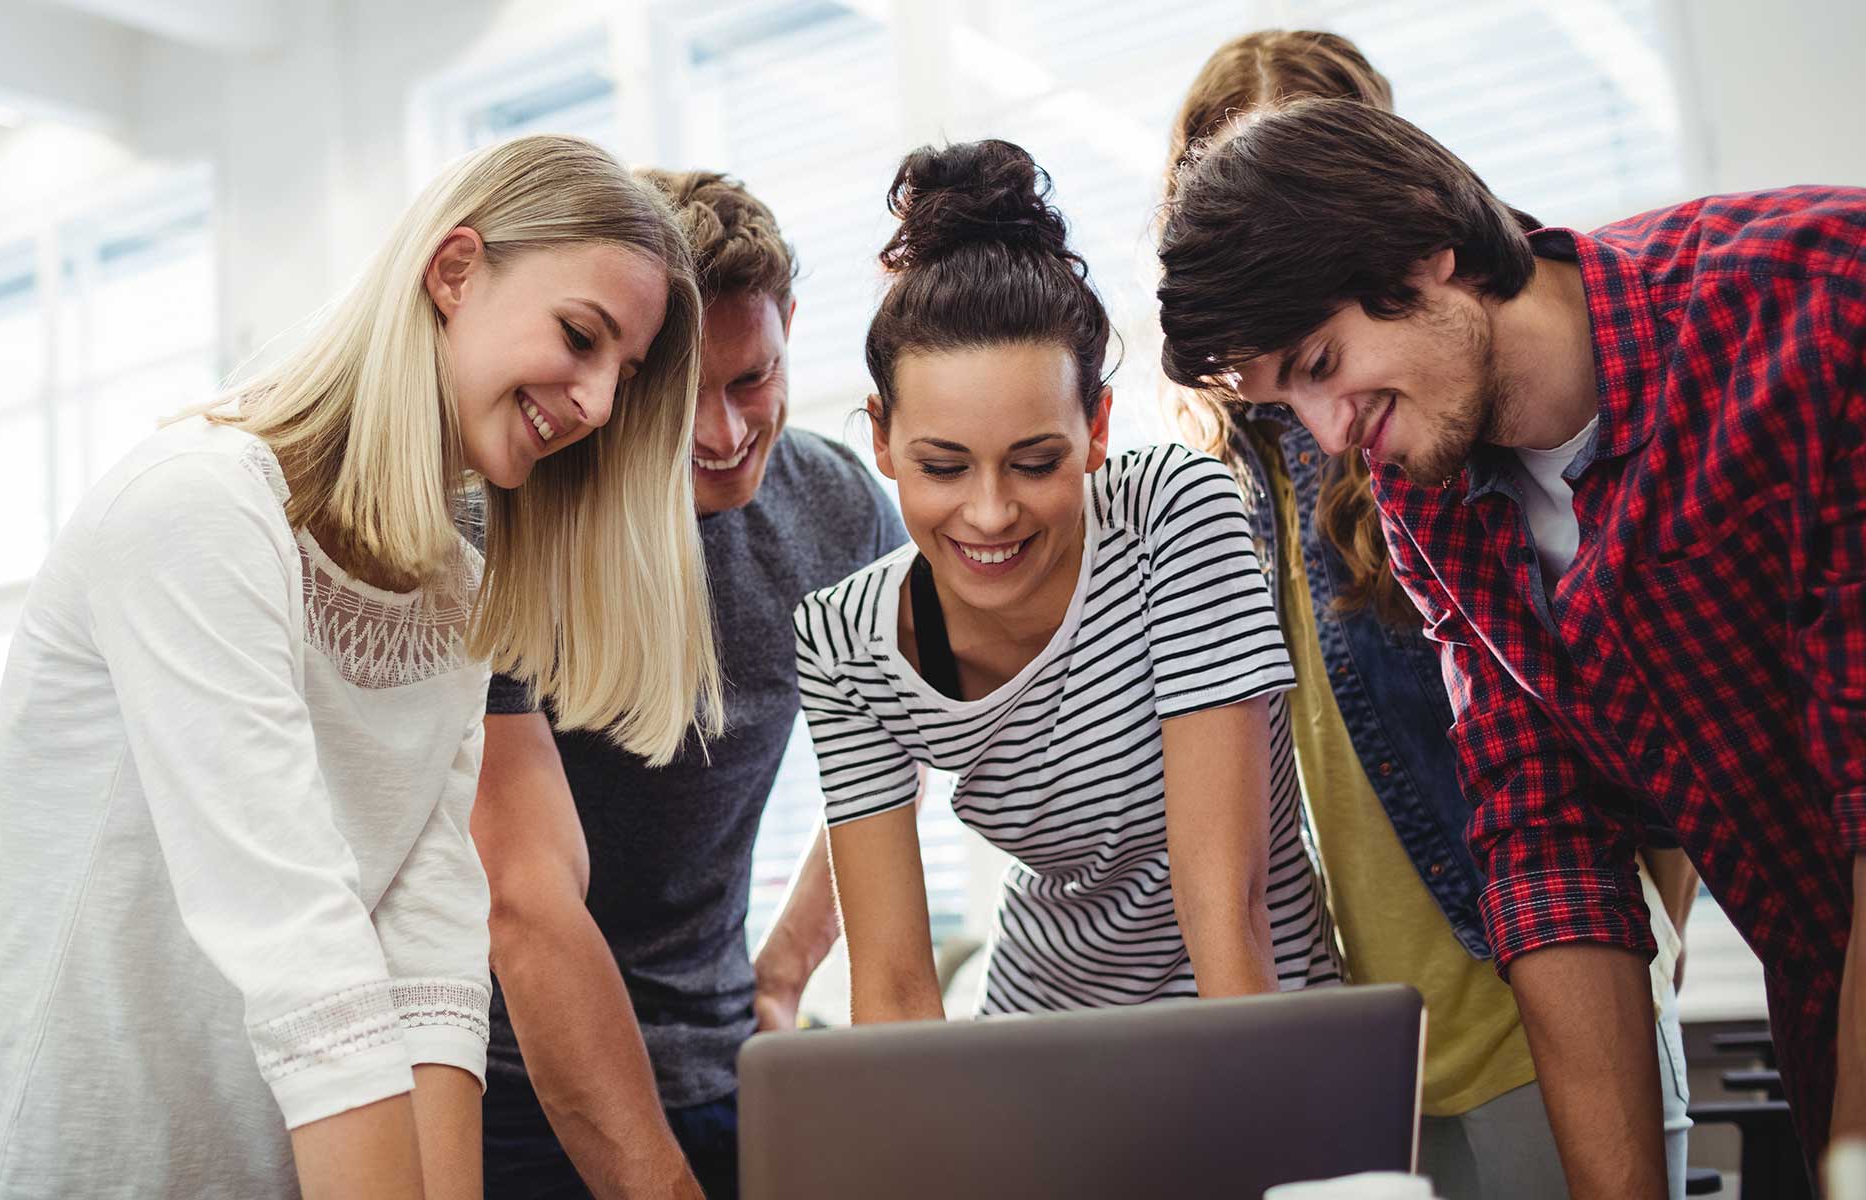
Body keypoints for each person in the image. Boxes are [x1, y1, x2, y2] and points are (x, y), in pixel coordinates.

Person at [0, 134, 721, 1200]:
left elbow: (430, 953)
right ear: (453, 272)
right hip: (76, 1161)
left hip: (271, 1165)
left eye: (622, 377)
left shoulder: (455, 589)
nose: (593, 404)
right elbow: (297, 941)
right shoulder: (198, 509)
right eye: (580, 337)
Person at [1158, 98, 1866, 1194]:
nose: (1330, 431)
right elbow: (1548, 849)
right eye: (1286, 399)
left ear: (1423, 249)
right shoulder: (1425, 502)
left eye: (1321, 360)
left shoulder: (1816, 302)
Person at [796, 138, 1339, 1029]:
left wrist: (1256, 1124)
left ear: (1095, 428)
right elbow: (893, 985)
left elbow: (1226, 904)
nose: (990, 513)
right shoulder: (845, 643)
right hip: (1041, 1029)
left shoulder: (1174, 512)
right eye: (943, 467)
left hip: (1255, 1018)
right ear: (883, 439)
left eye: (1035, 461)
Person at [475, 169, 908, 1200]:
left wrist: (787, 970)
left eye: (752, 379)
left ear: (792, 325)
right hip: (515, 1083)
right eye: (683, 398)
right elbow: (521, 897)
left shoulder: (840, 508)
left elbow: (901, 748)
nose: (722, 433)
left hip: (727, 1061)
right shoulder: (519, 523)